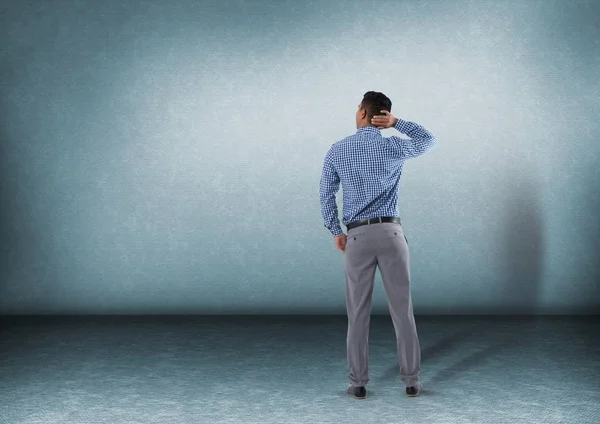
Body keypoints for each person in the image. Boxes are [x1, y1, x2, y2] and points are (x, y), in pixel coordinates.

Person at [319, 91, 437, 399]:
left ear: (362, 113)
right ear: (382, 118)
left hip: (356, 237)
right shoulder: (393, 145)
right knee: (403, 311)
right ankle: (411, 381)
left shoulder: (338, 150)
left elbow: (326, 194)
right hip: (392, 235)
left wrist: (336, 230)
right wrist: (399, 123)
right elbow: (428, 141)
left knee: (357, 313)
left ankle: (358, 383)